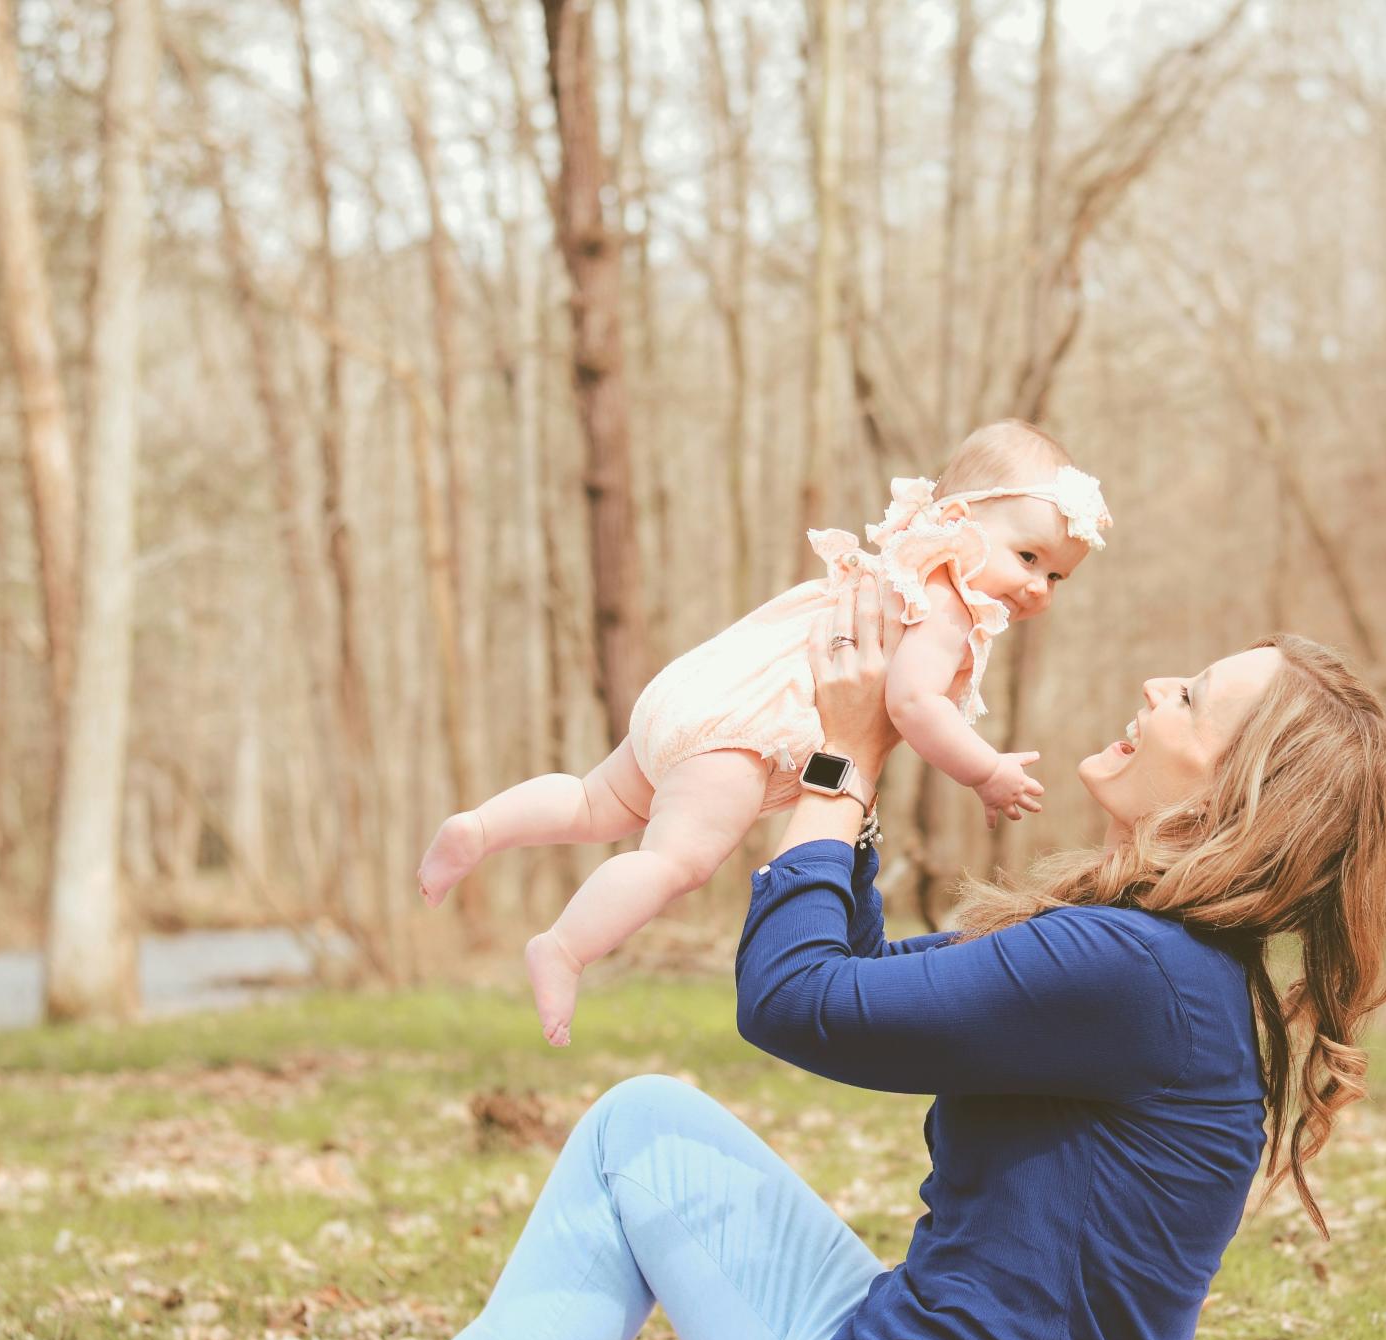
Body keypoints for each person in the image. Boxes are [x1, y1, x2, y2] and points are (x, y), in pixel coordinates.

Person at [407, 574, 1386, 1340]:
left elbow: (792, 1001)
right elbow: (857, 977)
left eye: (1189, 699)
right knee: (641, 1127)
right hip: (891, 1332)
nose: (1156, 687)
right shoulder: (1156, 963)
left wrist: (838, 765)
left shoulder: (1131, 970)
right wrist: (849, 772)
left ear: (1232, 795)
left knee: (636, 1133)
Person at [415, 421, 1113, 1045]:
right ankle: (565, 948)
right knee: (675, 862)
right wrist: (983, 770)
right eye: (1028, 558)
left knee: (595, 801)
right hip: (743, 732)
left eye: (1058, 576)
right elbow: (911, 704)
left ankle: (480, 827)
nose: (1040, 588)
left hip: (703, 688)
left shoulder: (903, 560)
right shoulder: (947, 602)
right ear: (960, 519)